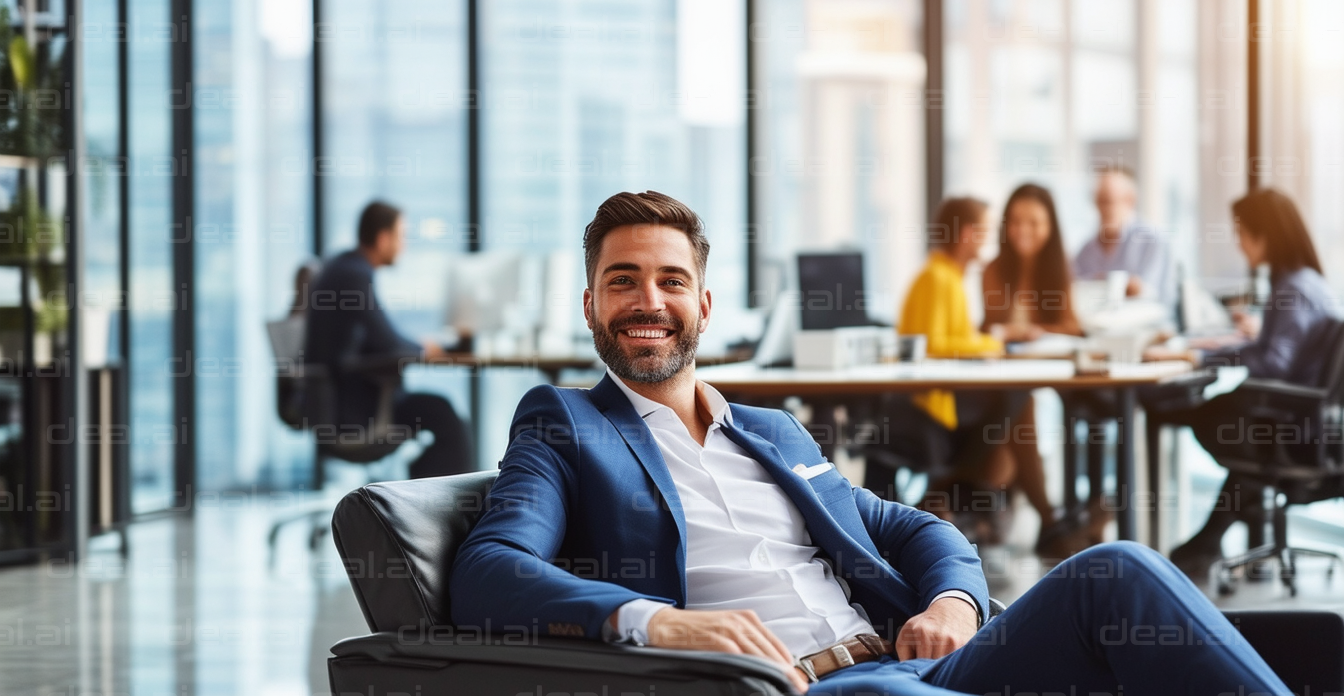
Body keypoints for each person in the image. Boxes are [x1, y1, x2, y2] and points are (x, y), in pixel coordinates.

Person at [450, 190, 1288, 696]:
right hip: (821, 685)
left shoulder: (769, 431)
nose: (648, 300)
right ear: (591, 306)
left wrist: (953, 604)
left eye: (671, 281)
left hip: (915, 660)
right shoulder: (565, 423)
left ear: (704, 306)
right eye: (621, 281)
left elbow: (914, 529)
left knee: (1120, 570)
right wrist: (658, 623)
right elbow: (490, 575)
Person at [1146, 187, 1340, 577]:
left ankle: (1194, 550)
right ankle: (1201, 549)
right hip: (1311, 423)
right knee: (1239, 448)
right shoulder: (1308, 282)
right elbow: (1284, 351)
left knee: (1199, 413)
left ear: (1264, 234)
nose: (1239, 243)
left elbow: (1272, 363)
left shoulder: (1293, 289)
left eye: (1241, 232)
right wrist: (1254, 336)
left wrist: (1196, 354)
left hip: (1297, 428)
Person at [881, 197, 1028, 548]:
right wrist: (994, 343)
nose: (989, 241)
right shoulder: (939, 277)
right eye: (986, 232)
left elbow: (952, 338)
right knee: (1014, 400)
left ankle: (954, 501)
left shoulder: (948, 276)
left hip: (940, 397)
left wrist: (986, 341)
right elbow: (935, 344)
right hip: (930, 404)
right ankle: (953, 496)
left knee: (1013, 410)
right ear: (967, 234)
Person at [304, 201, 474, 478]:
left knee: (441, 412)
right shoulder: (353, 275)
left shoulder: (344, 267)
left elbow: (374, 338)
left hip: (341, 401)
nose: (403, 246)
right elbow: (386, 341)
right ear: (383, 239)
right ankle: (438, 509)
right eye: (401, 236)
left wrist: (417, 347)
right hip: (355, 411)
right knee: (446, 417)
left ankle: (424, 500)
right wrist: (422, 348)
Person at [979, 184, 1087, 555]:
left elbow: (1073, 326)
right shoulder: (994, 269)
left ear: (1050, 226)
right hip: (1002, 374)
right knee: (1018, 406)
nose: (1024, 230)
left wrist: (1041, 332)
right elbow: (993, 327)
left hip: (1047, 366)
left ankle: (1055, 521)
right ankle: (1052, 521)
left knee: (1074, 403)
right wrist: (1013, 332)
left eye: (1034, 222)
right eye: (1017, 221)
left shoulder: (1057, 268)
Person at [1073, 165, 1174, 305]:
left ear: (1130, 200)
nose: (1102, 209)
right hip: (1098, 324)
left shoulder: (1152, 241)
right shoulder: (1086, 250)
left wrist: (1131, 288)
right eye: (1098, 201)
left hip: (1149, 324)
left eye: (1108, 201)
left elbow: (1156, 298)